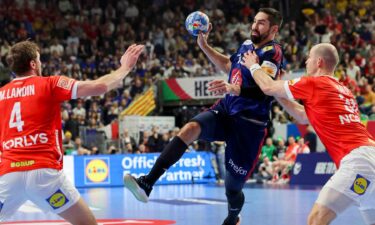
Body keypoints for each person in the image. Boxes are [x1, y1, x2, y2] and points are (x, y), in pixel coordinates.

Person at [124, 8, 283, 225]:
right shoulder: (246, 45)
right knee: (189, 129)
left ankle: (233, 217)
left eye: (261, 23)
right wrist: (204, 47)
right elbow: (229, 65)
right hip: (227, 110)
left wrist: (234, 89)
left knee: (232, 188)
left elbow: (266, 89)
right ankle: (147, 183)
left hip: (249, 126)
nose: (255, 26)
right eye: (254, 21)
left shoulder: (272, 52)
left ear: (273, 29)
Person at [0, 41, 143, 224]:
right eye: (39, 59)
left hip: (9, 175)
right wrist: (125, 67)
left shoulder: (1, 94)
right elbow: (100, 86)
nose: (41, 63)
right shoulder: (50, 83)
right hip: (44, 174)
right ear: (33, 64)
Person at [236, 43, 375, 225]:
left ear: (319, 62)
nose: (306, 60)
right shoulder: (345, 92)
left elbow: (268, 87)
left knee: (316, 220)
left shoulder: (314, 83)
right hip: (370, 154)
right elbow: (302, 116)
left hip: (357, 160)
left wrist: (253, 65)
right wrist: (278, 92)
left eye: (309, 57)